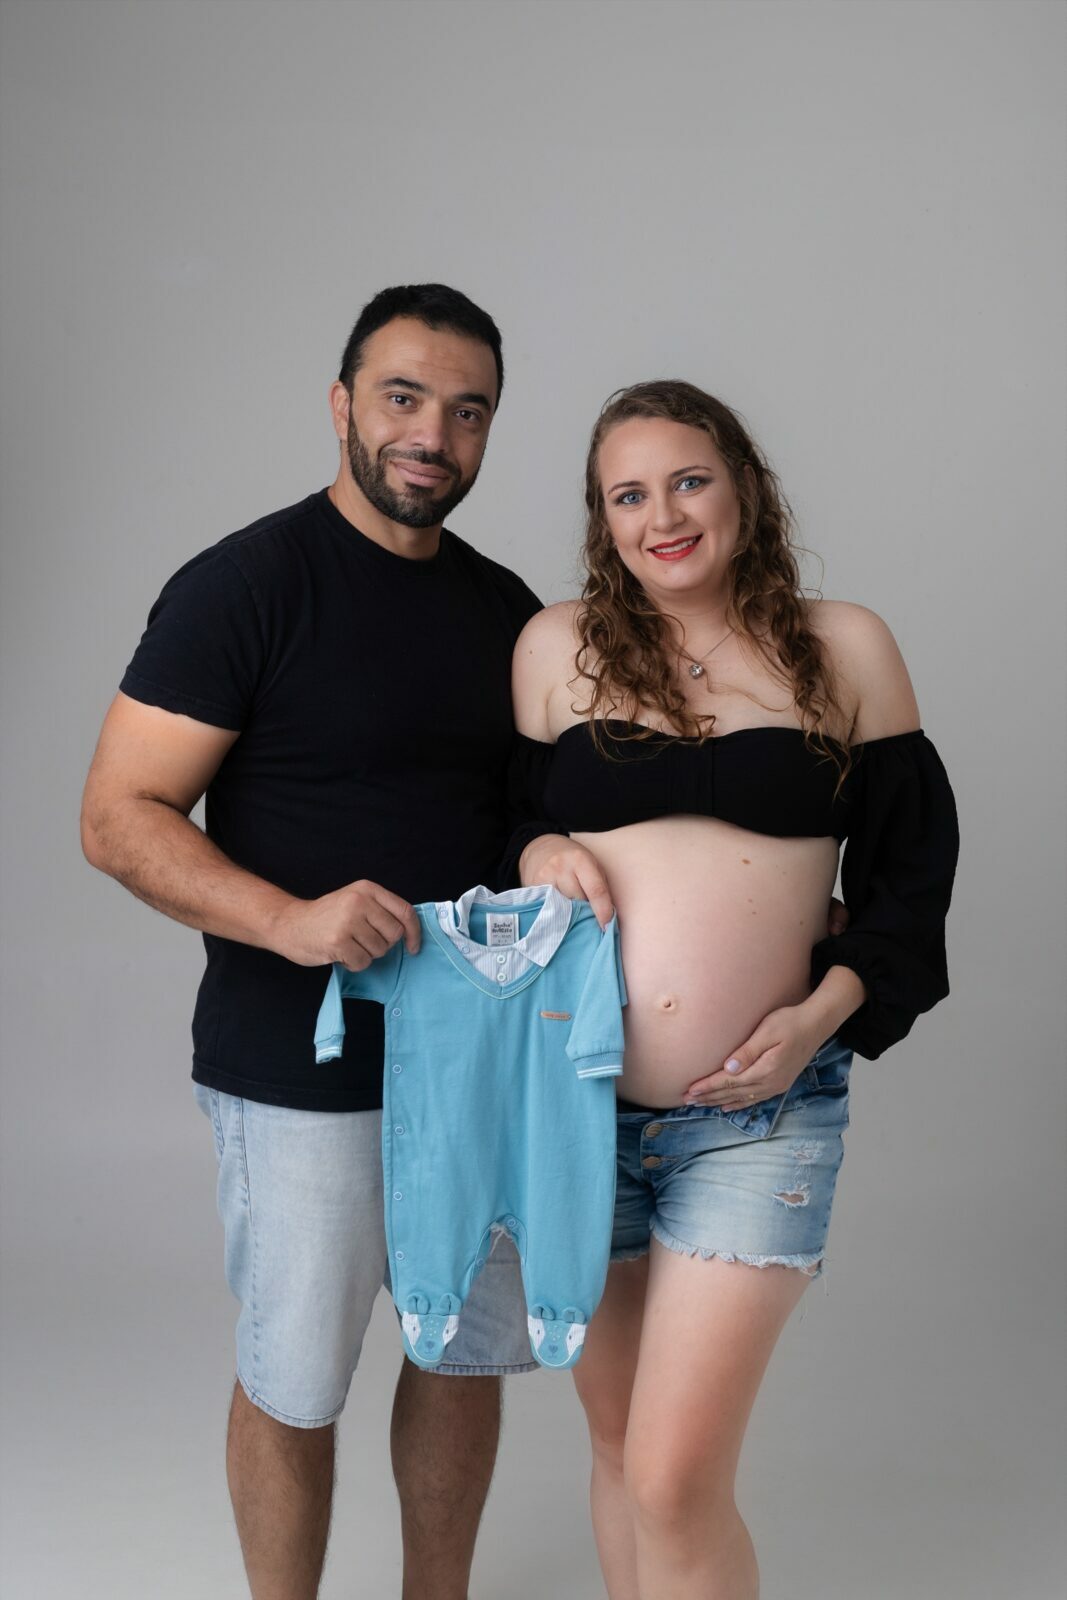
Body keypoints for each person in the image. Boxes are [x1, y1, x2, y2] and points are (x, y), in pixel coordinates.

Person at [79, 284, 547, 1600]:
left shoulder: (506, 613)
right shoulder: (245, 586)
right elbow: (117, 815)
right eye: (403, 397)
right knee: (294, 1374)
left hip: (475, 1064)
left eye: (466, 411)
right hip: (298, 1064)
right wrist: (287, 921)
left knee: (459, 1355)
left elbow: (540, 827)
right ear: (341, 405)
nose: (431, 434)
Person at [510, 379, 959, 1600]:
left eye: (688, 481)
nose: (661, 515)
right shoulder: (553, 647)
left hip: (757, 1116)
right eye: (627, 495)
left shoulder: (843, 645)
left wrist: (815, 1017)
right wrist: (534, 846)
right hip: (575, 1103)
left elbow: (910, 879)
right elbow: (496, 826)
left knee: (671, 1476)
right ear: (601, 520)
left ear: (743, 488)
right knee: (617, 1449)